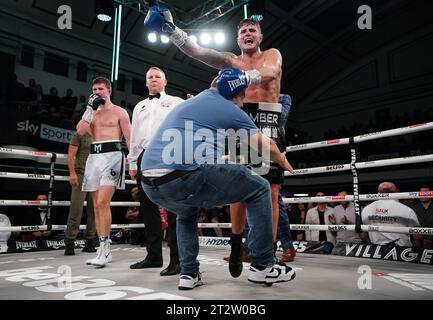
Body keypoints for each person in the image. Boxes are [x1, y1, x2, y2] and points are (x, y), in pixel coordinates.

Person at [144, 6, 286, 277]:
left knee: (269, 191)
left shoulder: (271, 55)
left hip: (267, 120)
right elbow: (198, 51)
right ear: (238, 38)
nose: (247, 33)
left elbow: (268, 73)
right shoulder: (230, 60)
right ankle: (236, 245)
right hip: (237, 119)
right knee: (238, 184)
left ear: (260, 36)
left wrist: (241, 79)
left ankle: (268, 250)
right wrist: (172, 31)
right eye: (243, 30)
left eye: (252, 30)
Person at [138, 67, 295, 290]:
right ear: (236, 94)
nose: (242, 104)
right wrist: (283, 160)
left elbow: (194, 145)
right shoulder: (228, 107)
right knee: (259, 188)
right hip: (187, 173)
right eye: (242, 98)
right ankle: (263, 266)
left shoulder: (192, 103)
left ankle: (188, 273)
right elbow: (267, 145)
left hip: (151, 183)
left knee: (186, 212)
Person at [127, 66, 183, 276]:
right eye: (150, 77)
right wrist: (133, 163)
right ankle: (153, 256)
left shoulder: (177, 102)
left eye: (157, 77)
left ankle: (177, 259)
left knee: (171, 206)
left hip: (167, 152)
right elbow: (134, 137)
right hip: (143, 156)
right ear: (146, 81)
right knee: (147, 207)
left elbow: (188, 119)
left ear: (165, 81)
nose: (153, 79)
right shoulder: (140, 106)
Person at [76, 77, 131, 267]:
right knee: (96, 206)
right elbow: (80, 131)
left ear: (109, 91)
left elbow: (129, 138)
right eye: (94, 89)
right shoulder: (91, 113)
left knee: (102, 202)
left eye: (100, 88)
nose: (97, 91)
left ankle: (106, 249)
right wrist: (89, 109)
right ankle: (103, 247)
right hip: (94, 157)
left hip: (113, 156)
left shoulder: (119, 112)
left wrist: (133, 163)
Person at [361, 182, 423, 248]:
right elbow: (417, 237)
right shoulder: (407, 210)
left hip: (376, 250)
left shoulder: (366, 209)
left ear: (378, 193)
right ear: (396, 192)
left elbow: (363, 234)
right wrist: (417, 253)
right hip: (401, 251)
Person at [64, 132, 97, 256]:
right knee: (76, 209)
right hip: (80, 173)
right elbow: (71, 155)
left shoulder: (99, 133)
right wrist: (72, 173)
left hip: (95, 175)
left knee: (94, 210)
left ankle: (90, 241)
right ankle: (70, 242)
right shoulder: (80, 133)